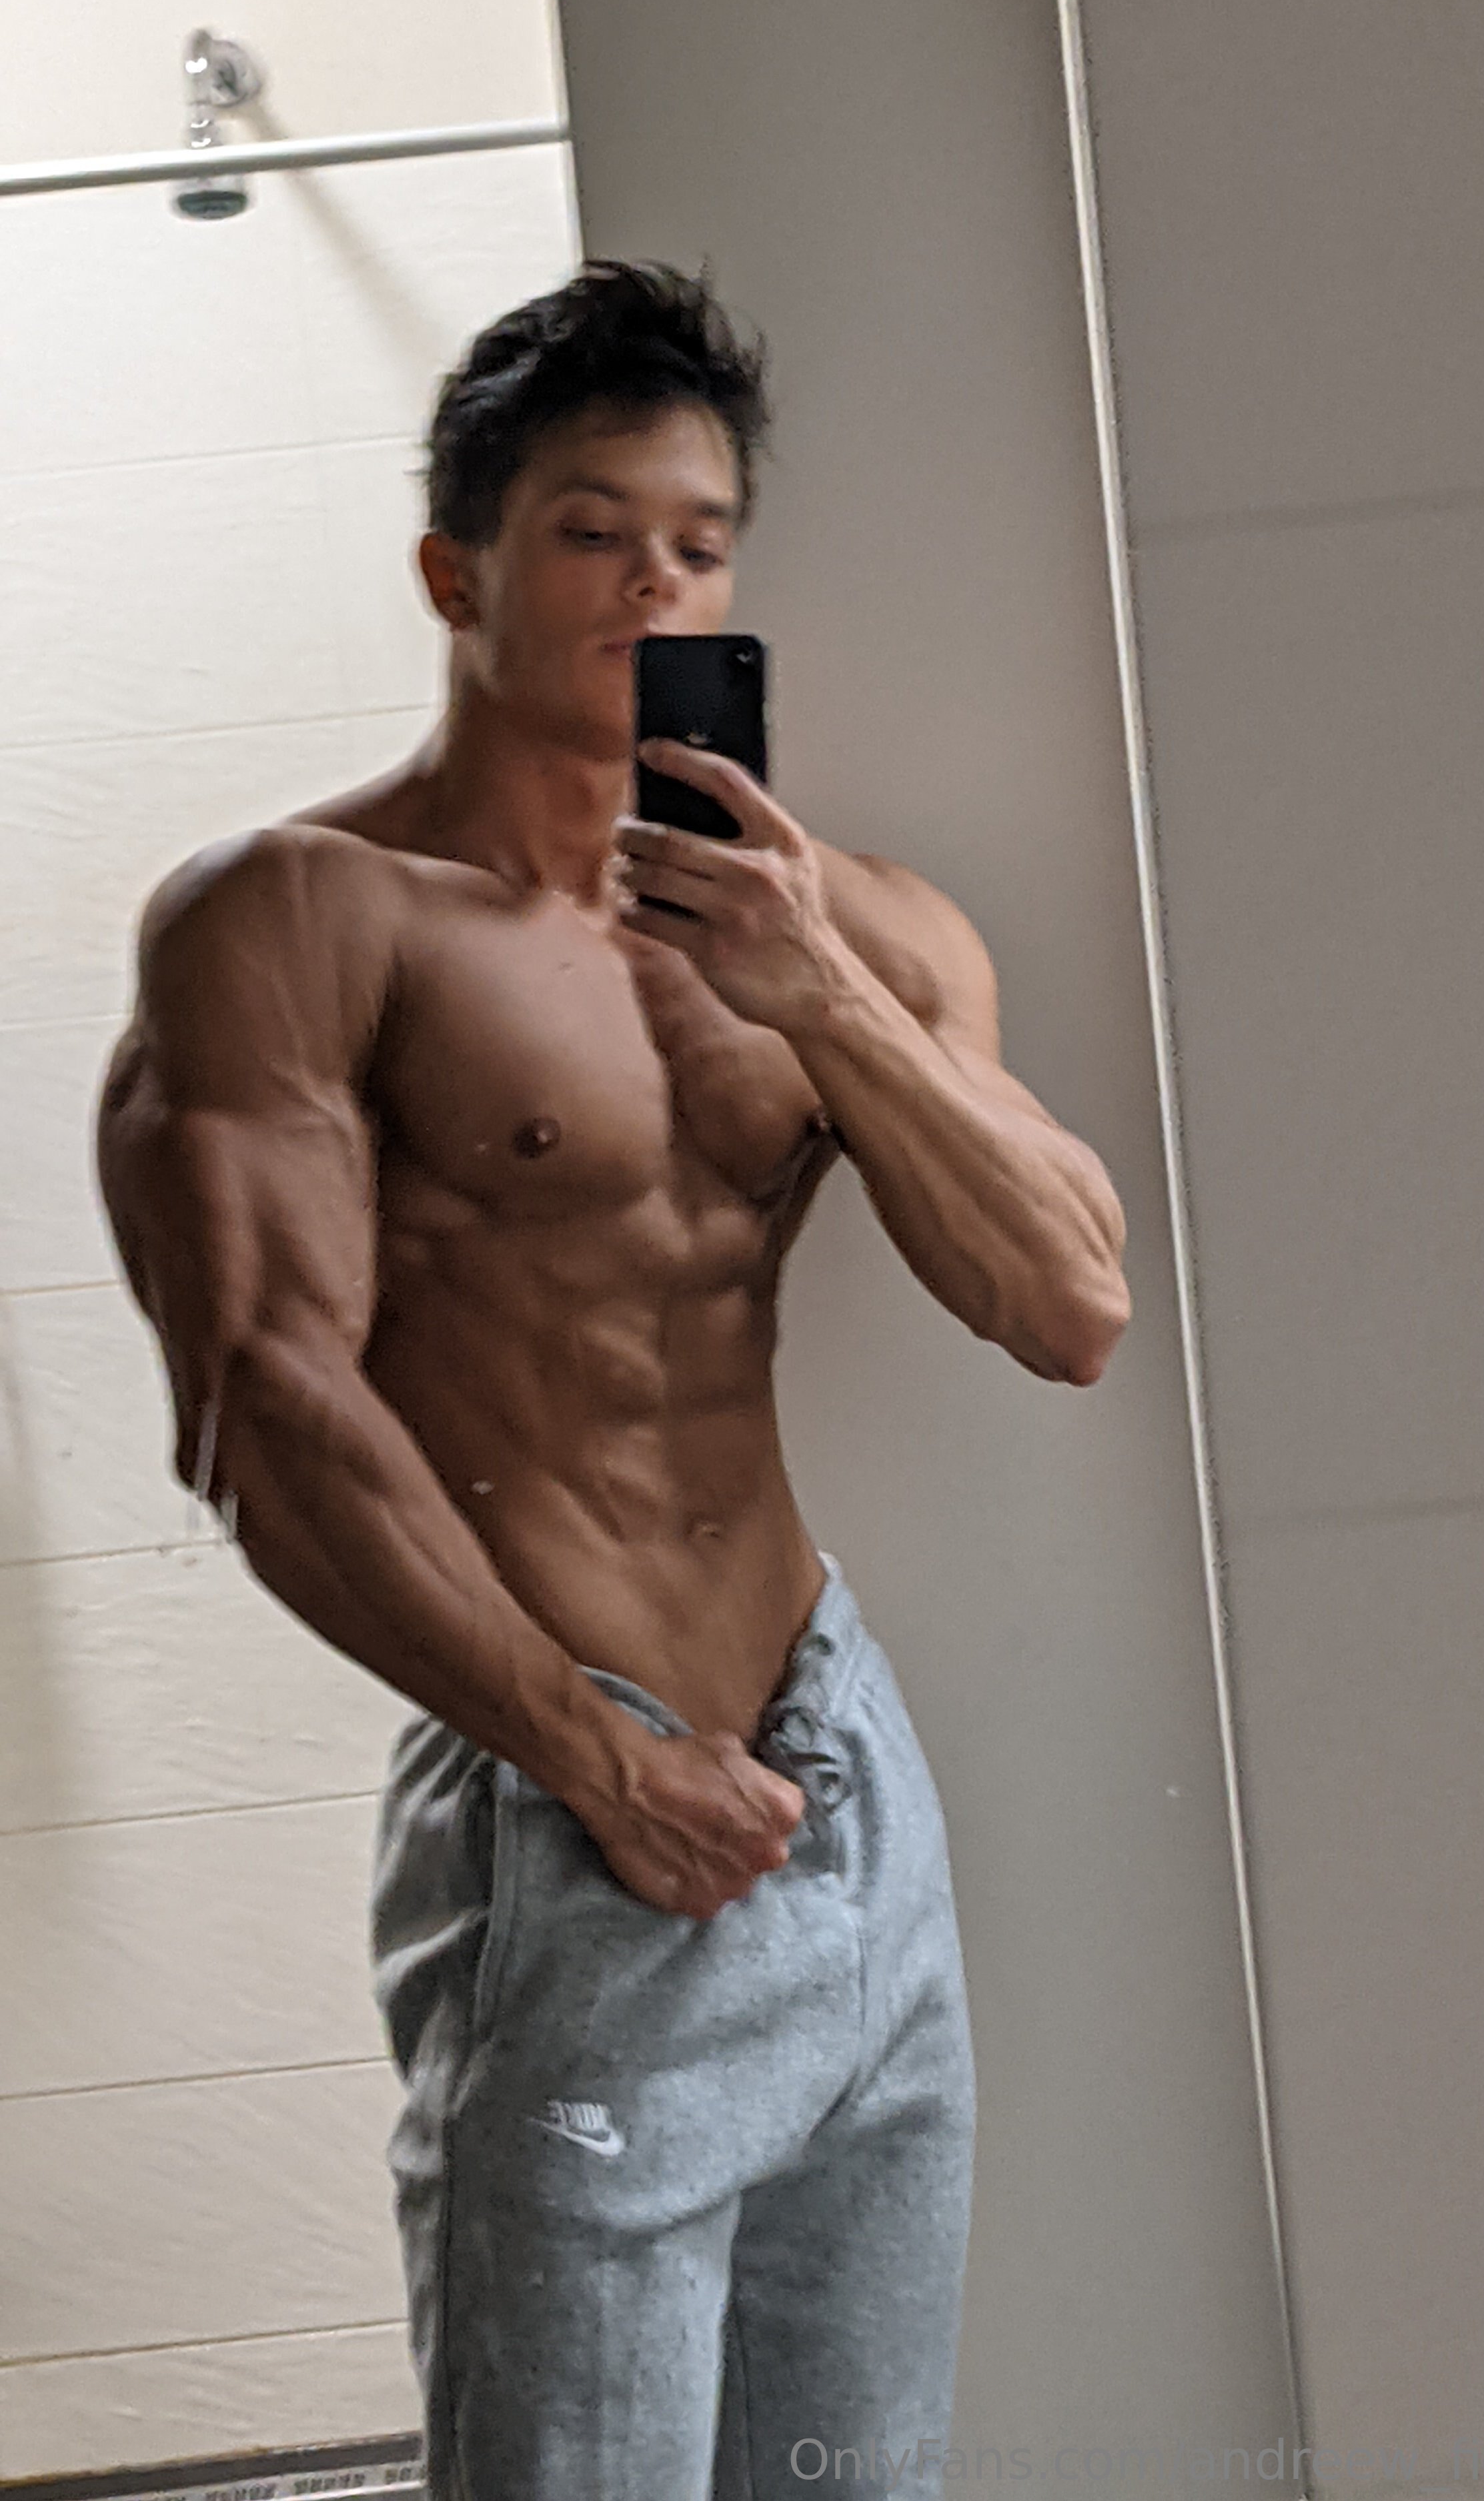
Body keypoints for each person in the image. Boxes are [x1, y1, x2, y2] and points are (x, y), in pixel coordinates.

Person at [95, 259, 1131, 2499]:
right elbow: (264, 1404)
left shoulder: (850, 930)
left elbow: (1067, 1304)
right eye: (590, 531)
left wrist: (818, 996)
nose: (653, 582)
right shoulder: (300, 917)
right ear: (455, 573)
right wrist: (591, 1755)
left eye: (696, 541)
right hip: (569, 1799)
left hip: (839, 1781)